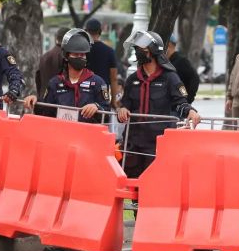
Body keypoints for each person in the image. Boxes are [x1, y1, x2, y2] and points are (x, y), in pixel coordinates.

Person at [116, 30, 200, 178]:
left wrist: (190, 111)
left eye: (141, 50)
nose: (137, 53)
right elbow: (124, 105)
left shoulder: (170, 78)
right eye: (136, 49)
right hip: (133, 141)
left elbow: (180, 102)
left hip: (157, 143)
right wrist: (122, 110)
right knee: (132, 185)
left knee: (154, 184)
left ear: (152, 52)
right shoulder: (132, 80)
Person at [24, 28, 110, 123]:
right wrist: (35, 101)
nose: (79, 58)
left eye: (82, 55)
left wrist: (97, 107)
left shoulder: (97, 82)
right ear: (66, 56)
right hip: (62, 134)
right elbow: (45, 111)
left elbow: (107, 113)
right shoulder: (55, 83)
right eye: (75, 54)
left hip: (87, 135)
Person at [85, 18, 120, 109]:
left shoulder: (81, 51)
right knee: (102, 119)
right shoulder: (109, 51)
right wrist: (113, 101)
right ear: (100, 31)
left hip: (83, 91)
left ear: (85, 31)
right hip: (103, 92)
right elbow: (114, 78)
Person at [35, 26, 69, 99]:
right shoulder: (66, 57)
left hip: (43, 98)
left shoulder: (44, 57)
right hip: (59, 100)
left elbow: (38, 79)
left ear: (56, 38)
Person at [166, 34, 200, 103]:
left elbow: (194, 79)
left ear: (169, 45)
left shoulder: (181, 61)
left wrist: (187, 99)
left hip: (178, 105)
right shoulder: (166, 62)